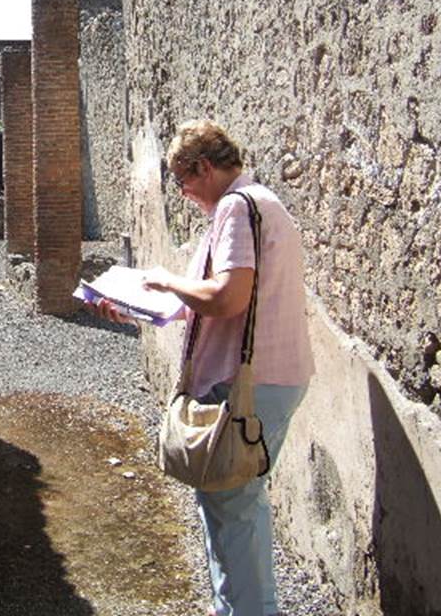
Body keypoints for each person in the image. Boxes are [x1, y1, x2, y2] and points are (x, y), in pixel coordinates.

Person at [96, 119, 314, 616]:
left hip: (252, 384)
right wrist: (128, 304)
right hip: (264, 380)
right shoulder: (252, 205)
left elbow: (228, 297)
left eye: (184, 180)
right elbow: (194, 305)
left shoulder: (239, 207)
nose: (183, 192)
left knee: (233, 505)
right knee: (224, 500)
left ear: (206, 167)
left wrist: (168, 281)